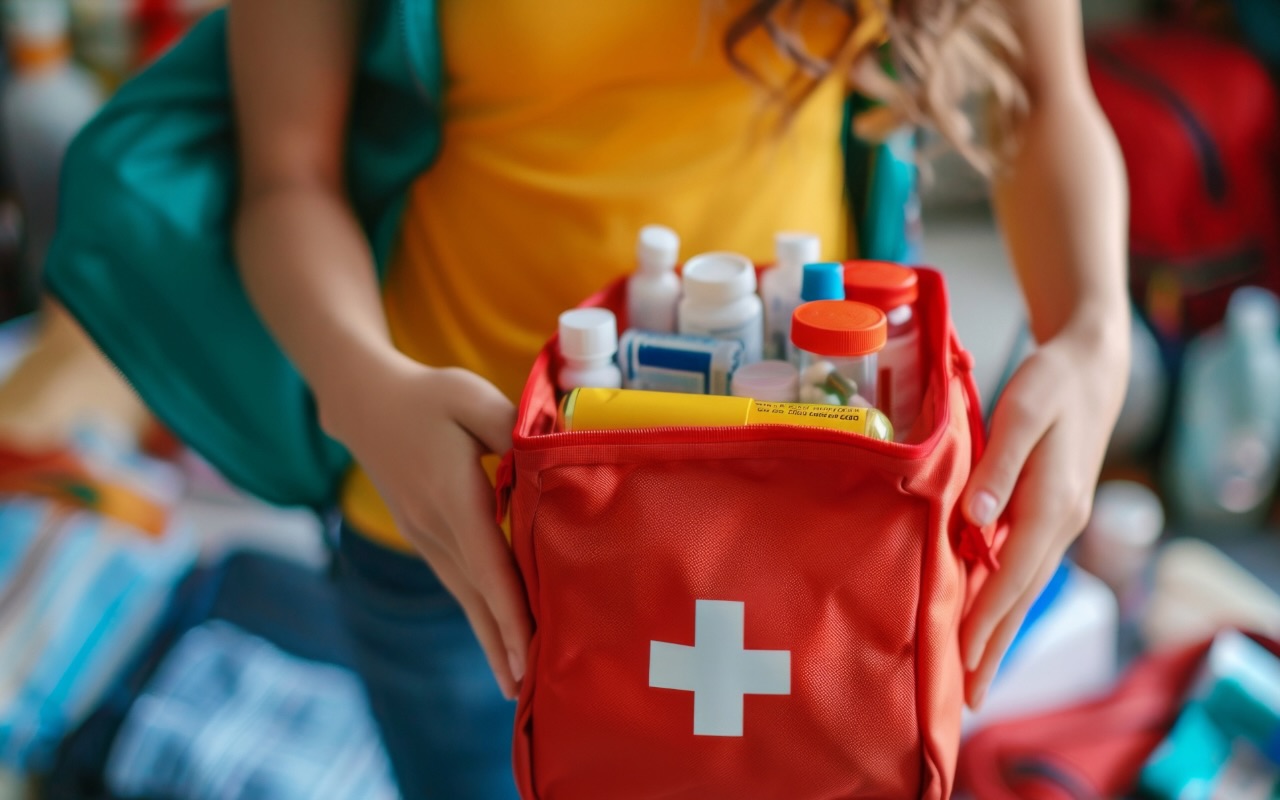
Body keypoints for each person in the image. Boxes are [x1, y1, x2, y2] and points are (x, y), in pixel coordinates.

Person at [228, 0, 1130, 796]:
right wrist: (359, 385)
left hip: (806, 521)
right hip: (467, 524)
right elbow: (283, 176)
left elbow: (1046, 97)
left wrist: (1096, 332)